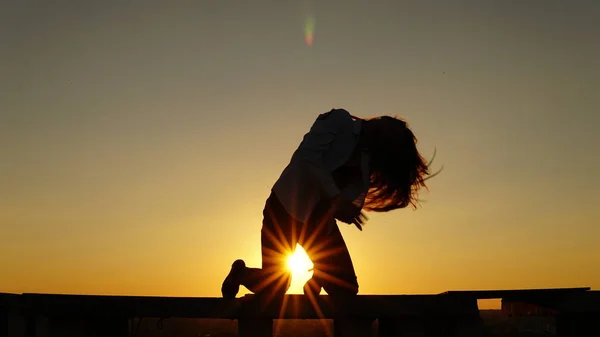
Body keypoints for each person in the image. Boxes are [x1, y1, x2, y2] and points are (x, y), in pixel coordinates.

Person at [221, 108, 437, 301]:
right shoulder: (338, 120)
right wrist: (335, 198)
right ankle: (241, 273)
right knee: (276, 290)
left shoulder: (366, 160)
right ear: (380, 126)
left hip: (317, 220)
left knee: (346, 288)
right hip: (283, 208)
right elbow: (305, 159)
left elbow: (348, 198)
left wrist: (347, 209)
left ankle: (319, 277)